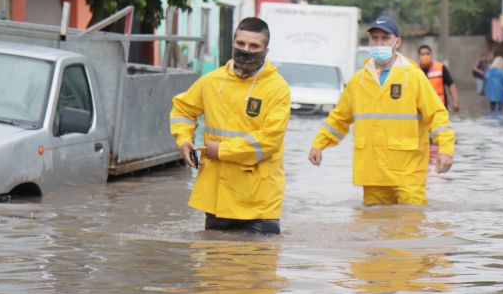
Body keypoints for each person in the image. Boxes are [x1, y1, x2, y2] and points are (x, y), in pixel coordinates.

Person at [308, 16, 455, 206]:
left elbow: (437, 114)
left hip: (407, 172)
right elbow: (338, 119)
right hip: (372, 173)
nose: (379, 43)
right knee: (374, 227)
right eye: (375, 38)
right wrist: (319, 144)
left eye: (385, 38)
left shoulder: (413, 77)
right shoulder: (358, 81)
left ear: (397, 42)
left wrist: (446, 150)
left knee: (410, 227)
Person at [169, 17, 291, 235]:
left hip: (258, 203)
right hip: (217, 197)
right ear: (233, 43)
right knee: (214, 265)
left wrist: (222, 151)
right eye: (241, 44)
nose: (246, 50)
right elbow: (183, 109)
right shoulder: (212, 81)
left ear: (266, 49)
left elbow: (269, 142)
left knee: (258, 265)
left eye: (254, 46)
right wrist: (184, 140)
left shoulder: (277, 89)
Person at [417, 44, 459, 112]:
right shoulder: (415, 70)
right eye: (423, 54)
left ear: (431, 55)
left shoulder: (440, 68)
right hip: (422, 109)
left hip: (440, 107)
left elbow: (451, 84)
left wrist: (456, 101)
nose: (425, 56)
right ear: (418, 56)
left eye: (428, 53)